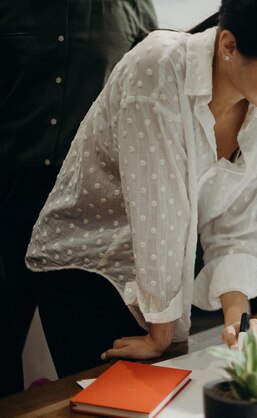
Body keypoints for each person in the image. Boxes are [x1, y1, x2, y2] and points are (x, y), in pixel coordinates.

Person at [24, 0, 257, 379]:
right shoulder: (158, 68)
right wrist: (162, 335)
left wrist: (239, 322)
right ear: (228, 46)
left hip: (162, 285)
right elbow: (161, 214)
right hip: (91, 267)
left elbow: (237, 221)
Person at [0, 0, 157, 397]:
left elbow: (148, 100)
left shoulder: (132, 8)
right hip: (9, 195)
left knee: (97, 364)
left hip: (90, 213)